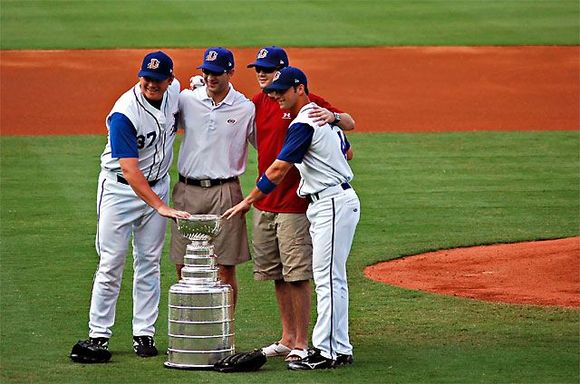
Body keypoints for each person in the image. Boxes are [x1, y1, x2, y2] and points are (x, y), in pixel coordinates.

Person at [223, 66, 360, 370]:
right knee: (332, 278)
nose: (275, 96)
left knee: (327, 279)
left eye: (281, 91)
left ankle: (326, 352)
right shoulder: (320, 114)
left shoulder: (303, 124)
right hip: (334, 199)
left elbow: (278, 169)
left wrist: (249, 200)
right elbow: (346, 149)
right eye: (273, 92)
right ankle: (339, 347)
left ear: (299, 89)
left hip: (332, 202)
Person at [70, 51, 191, 363]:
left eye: (157, 79)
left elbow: (193, 89)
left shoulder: (175, 92)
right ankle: (99, 334)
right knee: (111, 262)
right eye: (145, 78)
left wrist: (202, 83)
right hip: (120, 191)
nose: (150, 83)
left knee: (149, 262)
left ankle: (144, 333)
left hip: (158, 184)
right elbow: (130, 169)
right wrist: (160, 206)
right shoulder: (125, 113)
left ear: (170, 80)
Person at [169, 47, 255, 307]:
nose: (210, 77)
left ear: (231, 72)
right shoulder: (187, 100)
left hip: (225, 191)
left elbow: (265, 145)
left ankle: (224, 331)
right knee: (183, 264)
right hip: (187, 190)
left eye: (217, 73)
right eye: (206, 72)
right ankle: (191, 325)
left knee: (225, 267)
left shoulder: (245, 108)